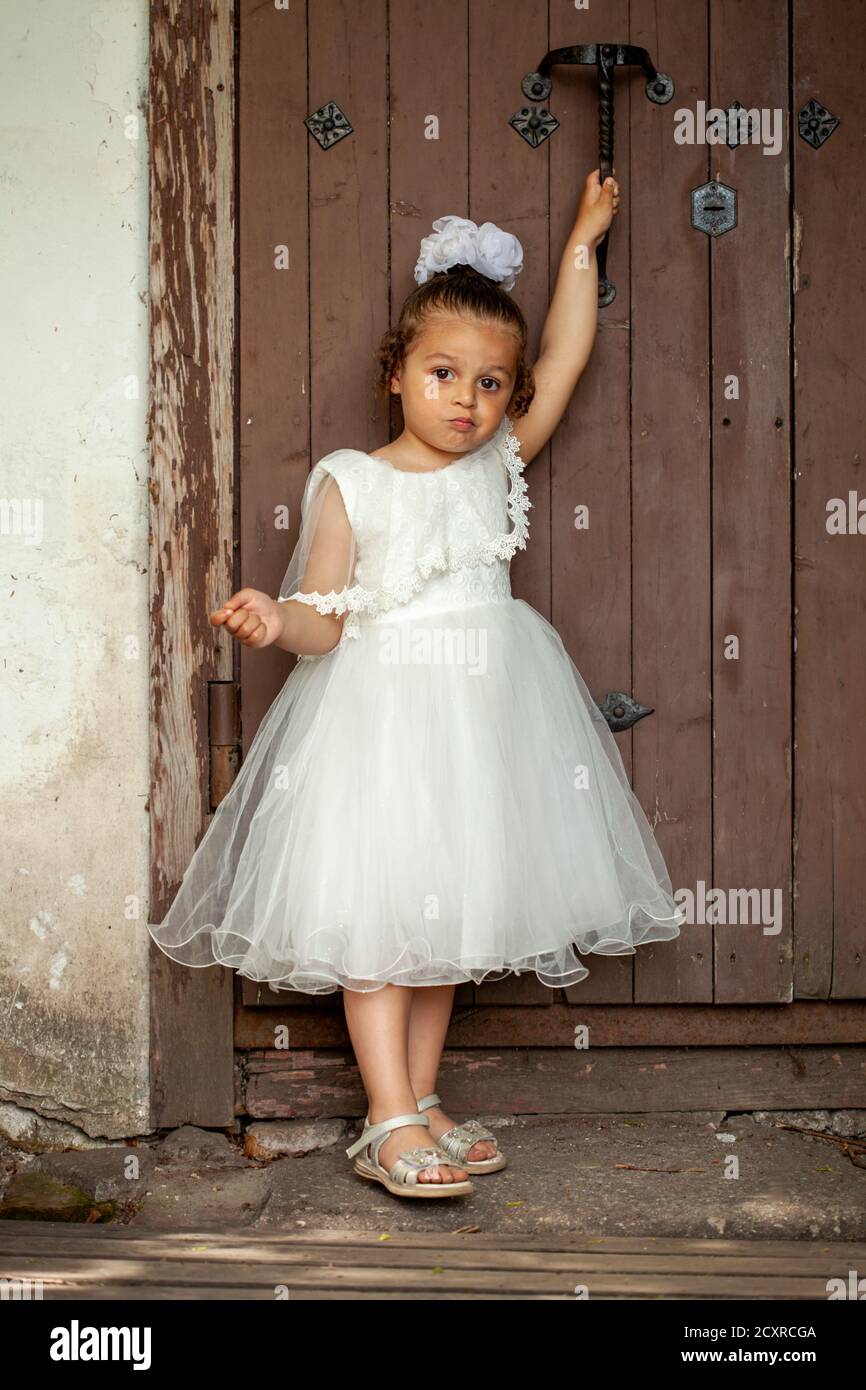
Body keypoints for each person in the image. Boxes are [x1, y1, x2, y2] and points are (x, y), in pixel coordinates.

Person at [147, 169, 685, 1201]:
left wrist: (582, 241)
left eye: (490, 385)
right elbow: (322, 618)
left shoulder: (496, 470)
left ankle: (422, 1095)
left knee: (447, 921)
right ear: (396, 372)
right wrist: (275, 617)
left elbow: (567, 353)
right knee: (380, 919)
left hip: (482, 724)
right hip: (381, 724)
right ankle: (383, 1116)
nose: (469, 402)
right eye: (444, 375)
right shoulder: (354, 479)